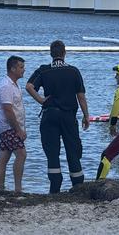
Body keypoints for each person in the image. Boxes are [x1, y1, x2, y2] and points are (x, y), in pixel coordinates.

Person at [26, 40, 90, 193]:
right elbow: (81, 96)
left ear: (51, 54)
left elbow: (29, 86)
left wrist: (41, 99)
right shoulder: (73, 71)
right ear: (64, 53)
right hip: (68, 116)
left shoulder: (44, 70)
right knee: (73, 151)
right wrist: (86, 116)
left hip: (50, 116)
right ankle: (77, 186)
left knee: (52, 152)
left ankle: (55, 187)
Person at [0, 56, 27, 192]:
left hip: (7, 126)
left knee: (4, 156)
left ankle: (1, 188)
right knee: (21, 154)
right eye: (21, 67)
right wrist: (18, 129)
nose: (23, 70)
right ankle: (18, 189)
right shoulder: (6, 86)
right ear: (12, 69)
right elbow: (7, 109)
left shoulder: (14, 84)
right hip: (9, 126)